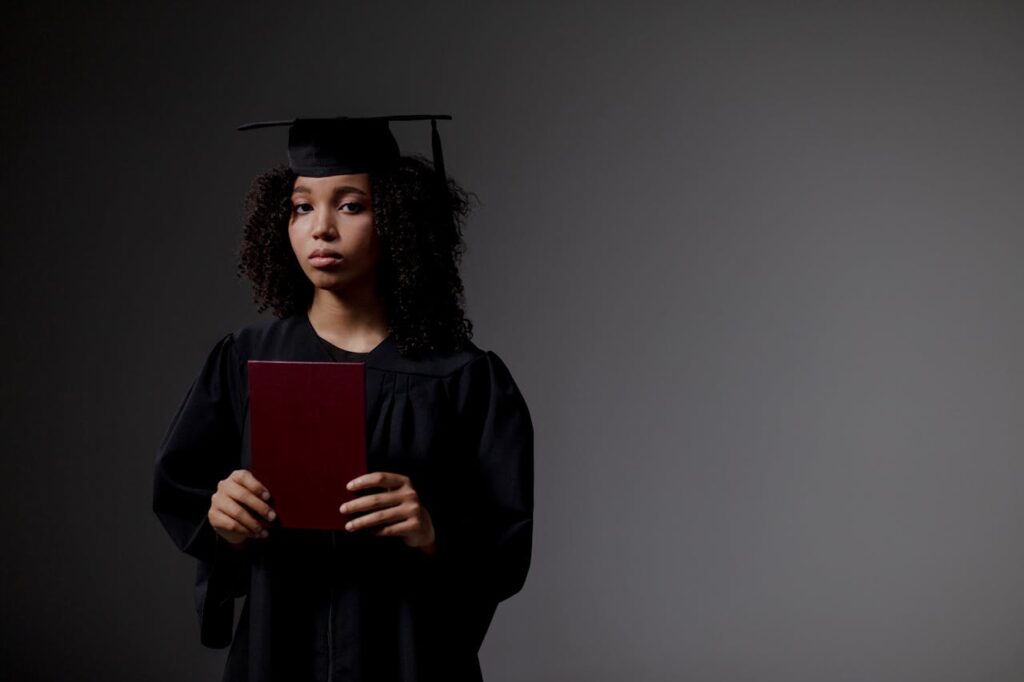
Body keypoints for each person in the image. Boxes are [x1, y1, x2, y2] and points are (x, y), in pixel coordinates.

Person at [152, 115, 533, 682]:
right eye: (302, 206)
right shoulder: (245, 357)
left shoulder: (462, 378)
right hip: (278, 652)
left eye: (351, 205)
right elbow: (185, 494)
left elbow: (504, 543)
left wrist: (434, 532)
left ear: (397, 220)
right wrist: (223, 521)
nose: (320, 228)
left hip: (408, 657)